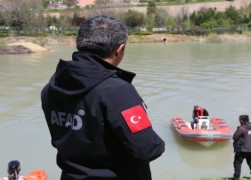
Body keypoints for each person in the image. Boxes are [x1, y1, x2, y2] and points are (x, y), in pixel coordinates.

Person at [41, 15, 165, 180]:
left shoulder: (51, 87)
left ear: (80, 44)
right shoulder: (118, 91)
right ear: (119, 50)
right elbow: (148, 149)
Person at [232, 115, 251, 180]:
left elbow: (234, 137)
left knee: (237, 163)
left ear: (241, 120)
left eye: (239, 120)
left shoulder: (242, 128)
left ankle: (236, 177)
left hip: (242, 149)